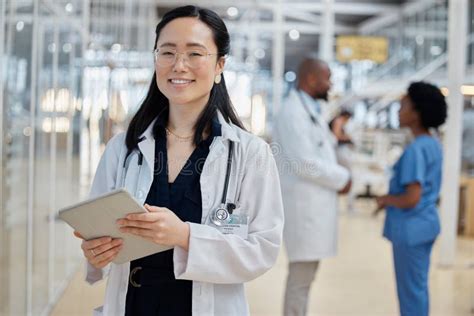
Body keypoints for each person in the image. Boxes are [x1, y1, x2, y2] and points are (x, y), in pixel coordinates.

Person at [73, 6, 284, 316]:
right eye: (167, 52)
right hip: (134, 305)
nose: (179, 65)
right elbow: (99, 233)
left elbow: (262, 249)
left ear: (219, 66)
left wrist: (184, 236)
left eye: (195, 54)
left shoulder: (249, 153)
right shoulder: (124, 148)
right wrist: (96, 251)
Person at [273, 57, 351, 316]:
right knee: (300, 282)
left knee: (304, 281)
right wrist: (343, 178)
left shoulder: (309, 111)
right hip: (304, 213)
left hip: (313, 209)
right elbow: (303, 163)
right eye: (327, 78)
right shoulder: (292, 112)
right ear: (310, 79)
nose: (330, 84)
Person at [375, 81, 447, 316]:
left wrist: (386, 200)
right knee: (417, 288)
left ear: (417, 114)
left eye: (403, 105)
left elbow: (411, 198)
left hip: (411, 229)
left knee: (410, 294)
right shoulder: (432, 144)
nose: (398, 110)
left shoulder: (416, 150)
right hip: (426, 225)